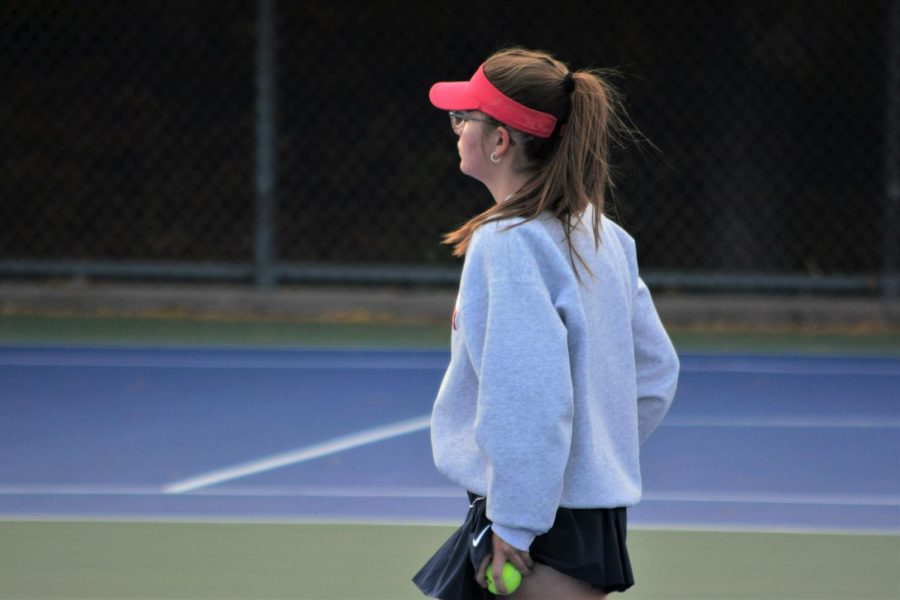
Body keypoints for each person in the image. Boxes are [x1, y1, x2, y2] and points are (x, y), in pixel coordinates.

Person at [412, 48, 679, 599]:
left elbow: (526, 397)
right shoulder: (604, 236)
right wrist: (591, 460)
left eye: (465, 118)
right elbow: (654, 373)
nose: (456, 128)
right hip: (564, 514)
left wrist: (514, 520)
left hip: (536, 525)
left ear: (499, 141)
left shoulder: (506, 245)